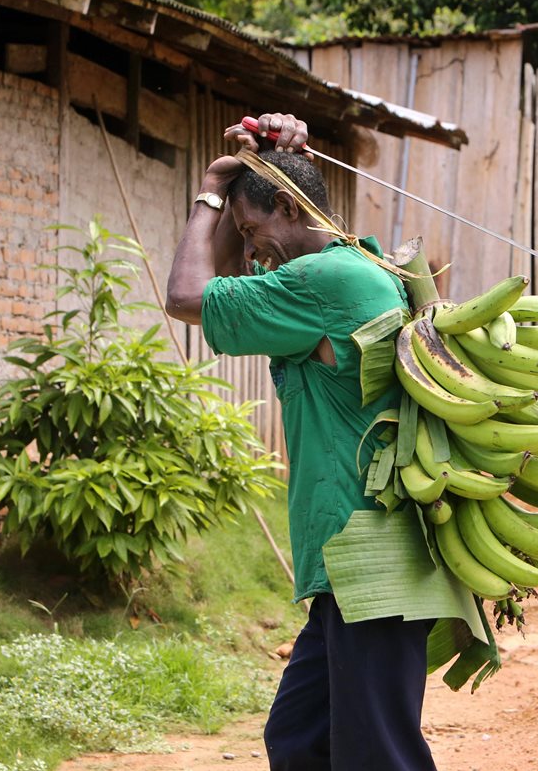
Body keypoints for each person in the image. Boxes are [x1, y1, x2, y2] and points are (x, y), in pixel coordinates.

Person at [166, 113, 444, 770]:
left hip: (373, 557)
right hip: (347, 567)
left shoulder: (326, 281)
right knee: (300, 741)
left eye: (254, 231)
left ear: (290, 206)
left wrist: (211, 189)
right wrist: (250, 170)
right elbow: (230, 280)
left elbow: (187, 295)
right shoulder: (344, 268)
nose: (252, 248)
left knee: (379, 756)